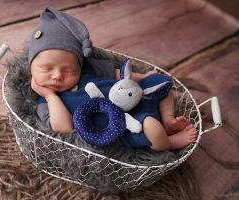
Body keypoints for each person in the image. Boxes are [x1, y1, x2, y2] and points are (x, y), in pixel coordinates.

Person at [29, 7, 196, 151]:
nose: (57, 75)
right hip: (127, 124)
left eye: (69, 69)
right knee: (153, 128)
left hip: (136, 94)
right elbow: (64, 128)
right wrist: (50, 96)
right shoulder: (45, 101)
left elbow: (119, 75)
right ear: (31, 68)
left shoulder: (89, 68)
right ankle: (169, 142)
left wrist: (143, 77)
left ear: (79, 65)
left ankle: (168, 120)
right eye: (47, 68)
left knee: (160, 81)